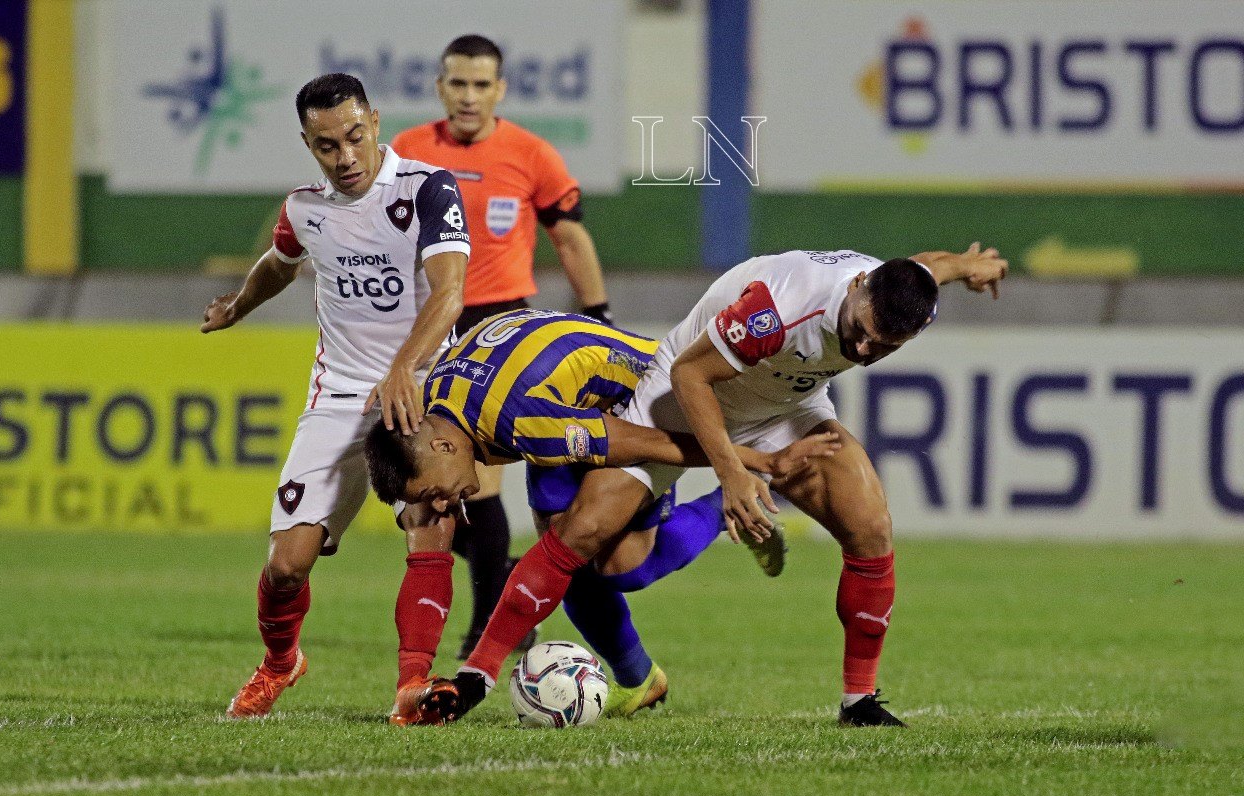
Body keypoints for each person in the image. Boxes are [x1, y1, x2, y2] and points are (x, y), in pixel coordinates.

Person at [413, 244, 1008, 727]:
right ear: (856, 290)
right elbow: (690, 373)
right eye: (860, 333)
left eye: (882, 347)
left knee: (872, 529)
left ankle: (859, 701)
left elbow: (928, 267)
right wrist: (731, 471)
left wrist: (965, 267)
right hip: (679, 402)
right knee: (595, 543)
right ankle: (476, 677)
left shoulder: (897, 296)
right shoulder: (777, 308)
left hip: (786, 406)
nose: (862, 349)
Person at [362, 308, 839, 724]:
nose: (444, 503)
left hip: (644, 400)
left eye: (435, 491)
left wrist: (746, 463)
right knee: (559, 558)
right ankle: (639, 680)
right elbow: (428, 544)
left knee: (614, 562)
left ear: (444, 446)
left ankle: (723, 507)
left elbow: (642, 441)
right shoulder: (427, 414)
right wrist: (413, 683)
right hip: (562, 404)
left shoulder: (522, 421)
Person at [203, 72, 472, 719]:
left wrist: (405, 366)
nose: (346, 156)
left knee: (430, 522)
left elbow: (449, 292)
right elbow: (279, 260)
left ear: (375, 122)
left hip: (422, 391)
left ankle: (412, 686)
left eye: (355, 137)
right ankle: (279, 664)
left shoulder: (427, 188)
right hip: (339, 399)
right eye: (327, 146)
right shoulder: (305, 209)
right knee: (286, 566)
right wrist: (240, 305)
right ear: (308, 143)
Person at [392, 34, 613, 658]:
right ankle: (505, 574)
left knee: (479, 484)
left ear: (500, 89)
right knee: (427, 486)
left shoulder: (530, 154)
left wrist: (597, 314)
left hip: (497, 329)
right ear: (440, 87)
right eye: (457, 84)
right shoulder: (407, 152)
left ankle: (487, 624)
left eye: (480, 84)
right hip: (430, 326)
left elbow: (569, 237)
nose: (468, 96)